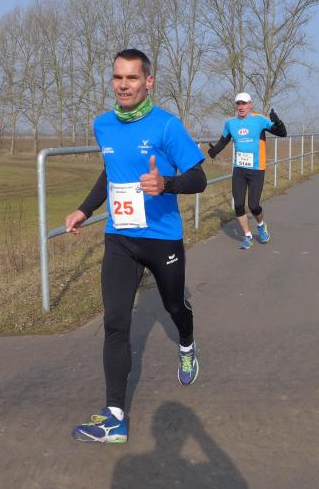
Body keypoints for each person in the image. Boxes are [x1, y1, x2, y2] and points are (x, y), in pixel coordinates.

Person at [65, 49, 207, 444]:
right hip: (120, 238)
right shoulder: (103, 125)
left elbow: (198, 177)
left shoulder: (166, 126)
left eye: (131, 78)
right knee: (115, 321)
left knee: (174, 306)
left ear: (149, 82)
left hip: (162, 237)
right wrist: (85, 209)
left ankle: (186, 344)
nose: (123, 85)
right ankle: (114, 417)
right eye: (117, 77)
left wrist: (167, 184)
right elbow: (110, 172)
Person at [207, 92, 287, 249]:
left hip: (256, 169)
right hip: (239, 169)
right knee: (238, 205)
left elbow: (282, 133)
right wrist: (214, 151)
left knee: (253, 205)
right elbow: (223, 141)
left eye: (244, 103)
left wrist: (278, 122)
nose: (241, 107)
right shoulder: (231, 123)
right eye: (238, 104)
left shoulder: (259, 120)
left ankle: (261, 225)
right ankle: (248, 236)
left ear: (250, 104)